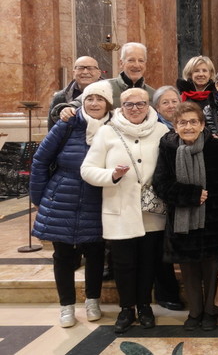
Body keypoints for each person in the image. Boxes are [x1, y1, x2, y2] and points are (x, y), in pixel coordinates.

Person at [81, 88, 169, 334]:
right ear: (120, 107)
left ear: (148, 105)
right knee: (123, 264)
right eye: (129, 105)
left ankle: (145, 307)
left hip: (152, 213)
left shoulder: (162, 130)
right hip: (119, 212)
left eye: (140, 104)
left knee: (148, 263)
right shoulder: (107, 132)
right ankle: (126, 309)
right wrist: (113, 175)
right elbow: (87, 170)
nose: (135, 109)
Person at [153, 102, 218, 331]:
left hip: (213, 220)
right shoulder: (168, 147)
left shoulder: (216, 147)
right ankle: (195, 312)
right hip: (182, 220)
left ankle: (211, 312)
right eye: (183, 122)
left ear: (202, 125)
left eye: (194, 122)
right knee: (190, 270)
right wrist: (191, 194)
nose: (189, 126)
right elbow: (161, 184)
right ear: (175, 127)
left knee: (212, 270)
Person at [30, 80, 113, 327]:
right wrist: (39, 197)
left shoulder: (115, 126)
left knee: (96, 253)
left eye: (100, 99)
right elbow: (40, 160)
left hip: (97, 197)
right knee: (63, 255)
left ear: (108, 103)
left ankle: (92, 300)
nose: (95, 103)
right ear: (82, 102)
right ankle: (66, 305)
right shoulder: (66, 124)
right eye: (90, 99)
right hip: (62, 196)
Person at [150, 85, 185, 311]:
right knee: (158, 244)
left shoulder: (187, 123)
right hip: (158, 192)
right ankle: (166, 291)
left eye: (174, 101)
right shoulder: (153, 128)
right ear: (156, 107)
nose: (171, 106)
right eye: (165, 102)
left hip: (183, 192)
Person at [48, 56, 102, 129]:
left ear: (99, 73)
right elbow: (52, 128)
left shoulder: (111, 93)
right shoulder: (61, 97)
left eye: (90, 68)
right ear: (74, 73)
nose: (85, 72)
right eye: (80, 68)